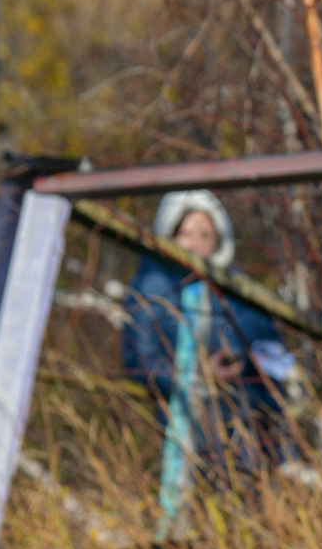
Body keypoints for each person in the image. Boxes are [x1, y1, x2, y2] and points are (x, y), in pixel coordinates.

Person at [120, 189, 295, 475]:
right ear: (170, 233)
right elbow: (138, 359)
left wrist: (246, 361)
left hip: (250, 419)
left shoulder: (237, 287)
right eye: (186, 233)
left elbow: (270, 344)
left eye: (205, 235)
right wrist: (198, 376)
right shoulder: (151, 286)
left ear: (218, 239)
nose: (195, 244)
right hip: (183, 423)